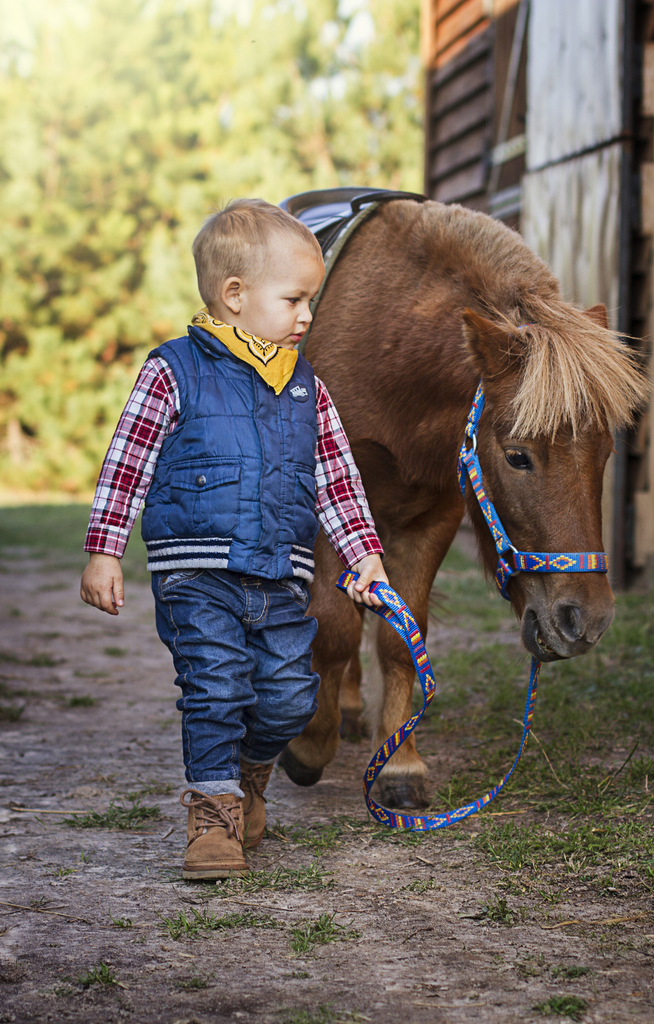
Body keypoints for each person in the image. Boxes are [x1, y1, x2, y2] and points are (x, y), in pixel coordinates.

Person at [79, 198, 388, 880]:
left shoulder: (309, 389)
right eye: (296, 299)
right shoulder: (173, 371)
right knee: (215, 687)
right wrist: (106, 548)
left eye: (313, 300)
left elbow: (337, 481)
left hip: (280, 573)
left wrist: (364, 553)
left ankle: (249, 778)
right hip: (197, 572)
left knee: (289, 698)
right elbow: (127, 460)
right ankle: (211, 817)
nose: (308, 316)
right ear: (235, 296)